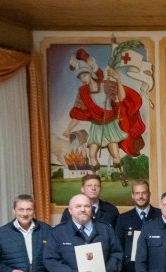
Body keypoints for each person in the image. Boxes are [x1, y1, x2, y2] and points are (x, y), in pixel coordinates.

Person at [61, 48, 145, 180]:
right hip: (96, 126)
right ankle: (95, 179)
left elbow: (122, 97)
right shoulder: (82, 92)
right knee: (92, 153)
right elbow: (78, 114)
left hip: (110, 124)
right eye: (80, 77)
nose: (82, 79)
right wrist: (68, 129)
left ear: (90, 74)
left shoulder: (105, 86)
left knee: (114, 154)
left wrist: (118, 79)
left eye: (84, 75)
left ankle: (122, 177)